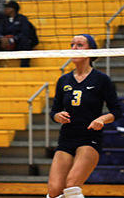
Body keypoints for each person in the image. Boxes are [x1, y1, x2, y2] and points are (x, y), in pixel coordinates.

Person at [47, 34, 122, 198]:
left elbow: (117, 111)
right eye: (72, 44)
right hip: (66, 137)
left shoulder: (102, 79)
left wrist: (102, 119)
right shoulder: (63, 80)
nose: (74, 48)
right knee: (54, 191)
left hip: (89, 137)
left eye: (79, 45)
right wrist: (57, 116)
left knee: (72, 186)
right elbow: (54, 111)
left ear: (90, 51)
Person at [0, 0, 37, 68]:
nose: (4, 9)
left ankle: (25, 65)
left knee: (25, 41)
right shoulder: (4, 20)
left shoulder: (22, 19)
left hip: (17, 44)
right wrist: (1, 38)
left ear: (12, 9)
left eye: (7, 8)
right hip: (5, 44)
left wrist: (12, 39)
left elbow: (25, 32)